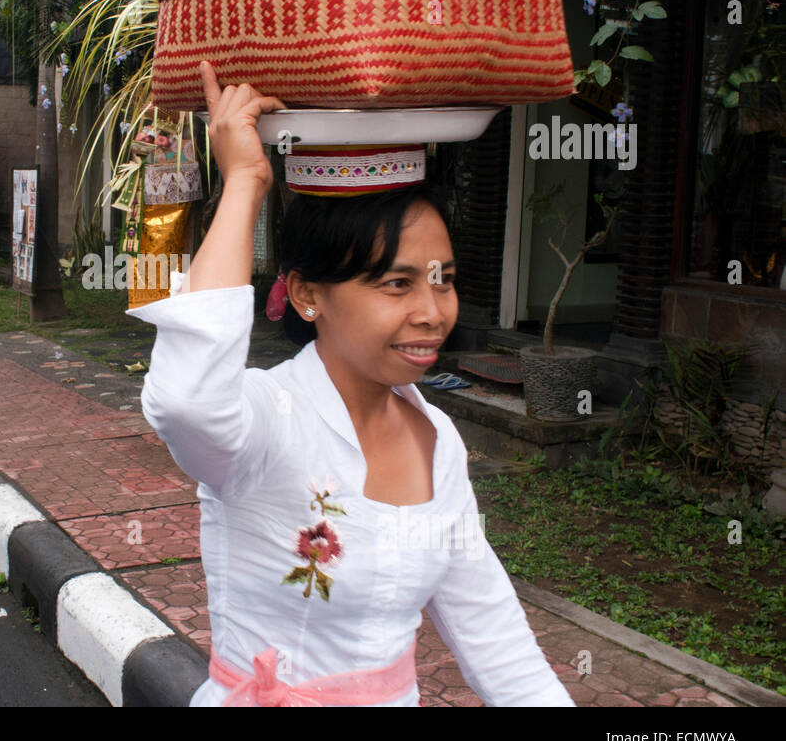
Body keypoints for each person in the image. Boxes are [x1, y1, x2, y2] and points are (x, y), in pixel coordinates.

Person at [127, 62, 574, 707]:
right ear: (308, 294)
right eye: (398, 284)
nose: (434, 310)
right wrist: (246, 183)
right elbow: (184, 399)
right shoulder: (267, 421)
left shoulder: (437, 440)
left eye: (442, 278)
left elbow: (495, 639)